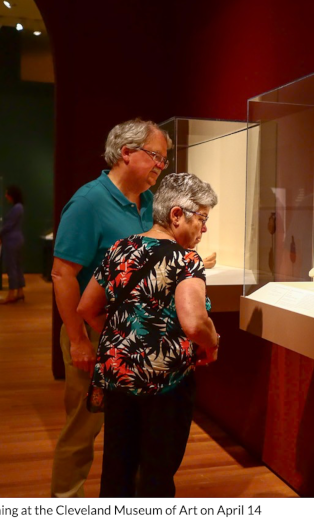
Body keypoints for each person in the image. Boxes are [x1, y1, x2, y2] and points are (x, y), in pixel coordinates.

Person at [50, 118, 172, 498]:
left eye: (165, 160)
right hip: (91, 331)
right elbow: (63, 275)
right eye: (156, 156)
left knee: (133, 429)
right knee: (83, 428)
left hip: (134, 337)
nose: (160, 166)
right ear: (126, 153)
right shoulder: (89, 201)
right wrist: (77, 341)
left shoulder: (151, 203)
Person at [78, 172, 220, 497]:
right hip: (165, 384)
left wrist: (128, 337)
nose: (205, 227)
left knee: (117, 469)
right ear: (176, 215)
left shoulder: (120, 249)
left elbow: (87, 308)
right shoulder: (185, 260)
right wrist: (213, 344)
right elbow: (195, 323)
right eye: (202, 218)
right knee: (156, 474)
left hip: (119, 375)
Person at [0, 185, 26, 304]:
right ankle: (20, 292)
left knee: (12, 267)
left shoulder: (16, 208)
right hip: (17, 239)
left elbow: (9, 225)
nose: (6, 196)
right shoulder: (19, 207)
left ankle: (11, 293)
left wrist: (0, 233)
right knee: (17, 266)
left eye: (7, 194)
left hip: (11, 240)